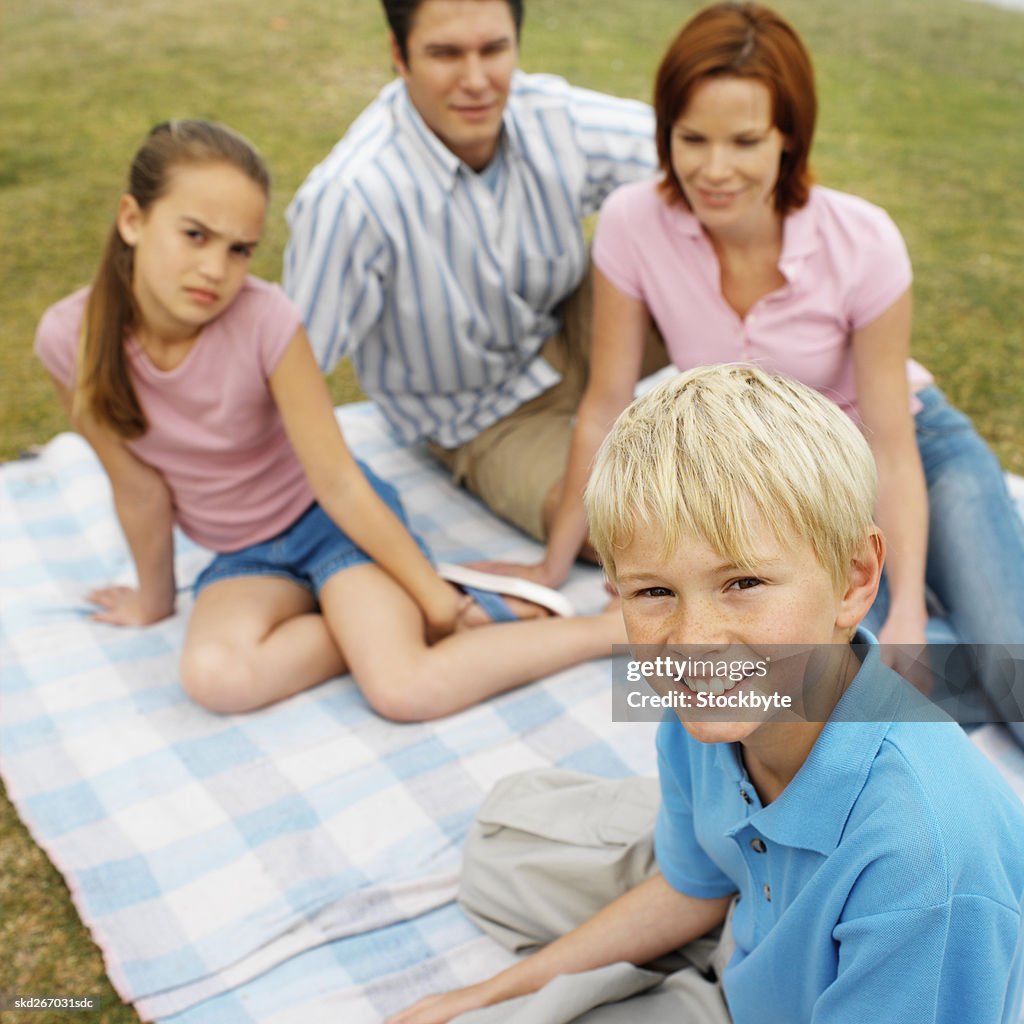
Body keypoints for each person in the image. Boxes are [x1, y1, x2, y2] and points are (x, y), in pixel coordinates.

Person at [388, 364, 1024, 1024]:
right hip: (746, 945)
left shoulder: (928, 863)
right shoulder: (710, 702)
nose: (693, 641)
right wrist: (487, 994)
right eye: (654, 592)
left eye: (743, 582)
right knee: (499, 851)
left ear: (855, 579)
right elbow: (694, 887)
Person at [484, 0, 1024, 739]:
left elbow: (893, 449)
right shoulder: (632, 224)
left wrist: (904, 619)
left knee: (1001, 661)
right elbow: (605, 403)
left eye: (744, 141)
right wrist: (552, 568)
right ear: (664, 132)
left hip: (912, 451)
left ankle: (969, 645)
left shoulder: (861, 239)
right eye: (691, 138)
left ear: (788, 138)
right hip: (790, 487)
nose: (714, 169)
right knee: (815, 681)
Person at [34, 119, 627, 721]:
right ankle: (388, 616)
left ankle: (601, 633)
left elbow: (338, 480)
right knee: (215, 678)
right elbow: (137, 487)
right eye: (194, 235)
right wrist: (154, 602)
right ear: (132, 220)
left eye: (239, 248)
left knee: (403, 690)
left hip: (334, 527)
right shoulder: (68, 339)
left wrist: (433, 602)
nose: (215, 268)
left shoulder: (268, 321)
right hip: (246, 556)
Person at [283, 0, 664, 543]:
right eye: (446, 54)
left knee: (713, 205)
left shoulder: (548, 114)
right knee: (631, 530)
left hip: (581, 332)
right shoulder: (351, 198)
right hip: (485, 419)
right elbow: (287, 366)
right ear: (399, 54)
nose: (477, 80)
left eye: (493, 50)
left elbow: (697, 154)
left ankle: (796, 429)